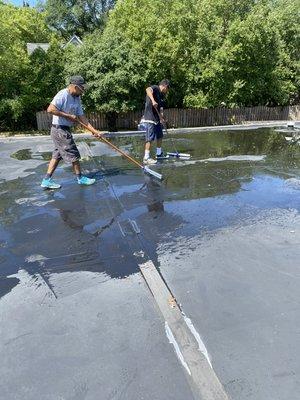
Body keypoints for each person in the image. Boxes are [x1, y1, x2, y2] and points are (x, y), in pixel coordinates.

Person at [41, 76, 103, 190]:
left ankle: (46, 180)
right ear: (75, 87)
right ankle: (80, 178)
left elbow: (82, 117)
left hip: (64, 129)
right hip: (59, 129)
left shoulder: (77, 98)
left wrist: (94, 131)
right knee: (73, 153)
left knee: (57, 156)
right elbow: (50, 109)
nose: (83, 92)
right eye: (81, 89)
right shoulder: (63, 94)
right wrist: (68, 116)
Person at [142, 79, 170, 165]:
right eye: (167, 89)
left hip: (156, 118)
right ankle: (146, 157)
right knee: (150, 137)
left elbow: (160, 108)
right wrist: (153, 100)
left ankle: (159, 154)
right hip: (150, 117)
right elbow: (147, 89)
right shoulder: (155, 88)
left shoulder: (161, 95)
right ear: (165, 86)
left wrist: (161, 118)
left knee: (160, 135)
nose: (167, 91)